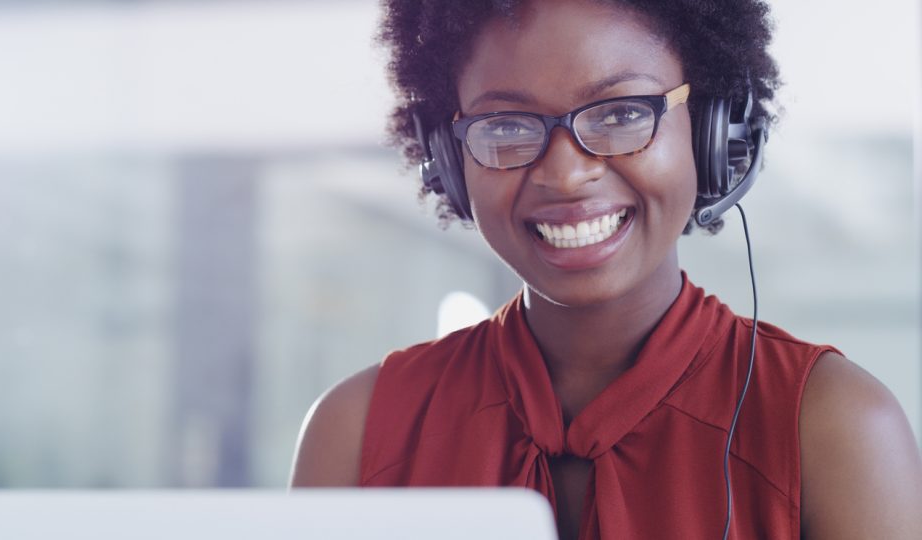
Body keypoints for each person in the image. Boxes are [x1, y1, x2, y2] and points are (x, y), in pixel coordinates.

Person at [289, 0, 922, 538]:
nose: (565, 174)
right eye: (505, 124)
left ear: (715, 132)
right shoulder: (356, 431)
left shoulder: (833, 426)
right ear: (448, 160)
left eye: (621, 114)